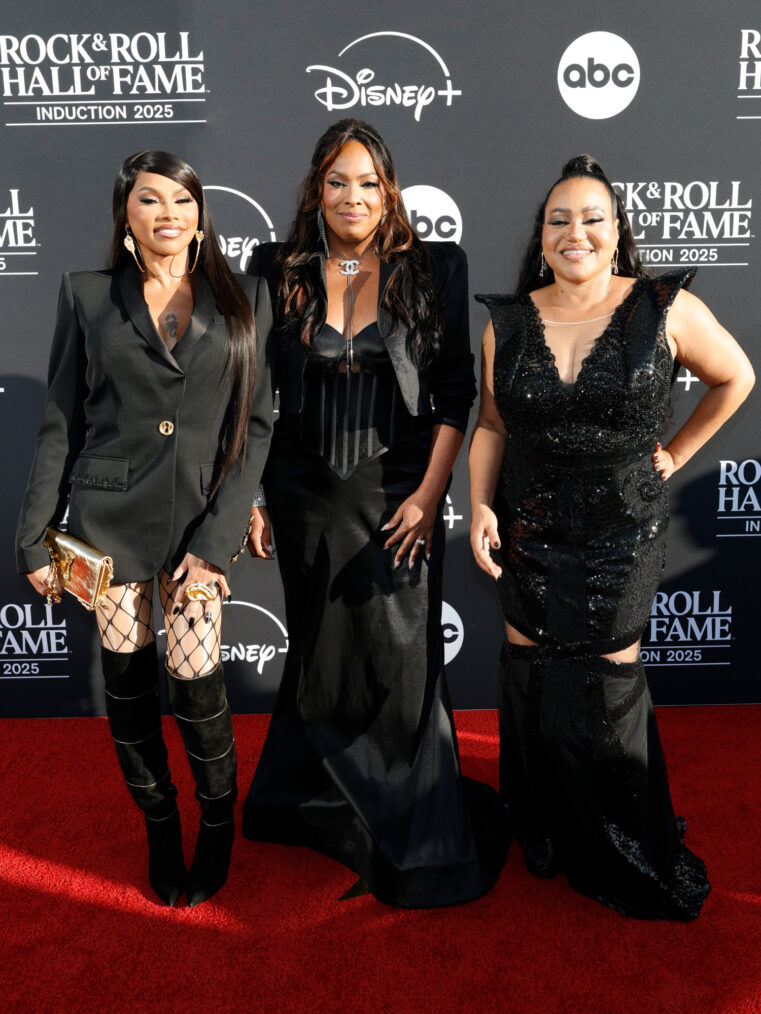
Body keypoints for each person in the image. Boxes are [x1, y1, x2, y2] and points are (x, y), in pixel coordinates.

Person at [469, 154, 754, 920]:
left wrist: (676, 453)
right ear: (541, 236)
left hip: (622, 525)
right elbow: (491, 425)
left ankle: (623, 840)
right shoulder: (508, 320)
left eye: (592, 217)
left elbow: (736, 377)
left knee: (605, 677)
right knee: (528, 669)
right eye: (559, 219)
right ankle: (545, 829)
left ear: (616, 231)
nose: (576, 232)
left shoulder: (662, 308)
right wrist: (480, 506)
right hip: (529, 521)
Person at [241, 118, 507, 907]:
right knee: (321, 657)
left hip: (397, 498)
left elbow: (456, 392)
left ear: (387, 189)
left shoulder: (434, 268)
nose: (351, 197)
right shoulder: (276, 267)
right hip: (301, 497)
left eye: (367, 181)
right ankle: (312, 800)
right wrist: (254, 494)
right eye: (336, 181)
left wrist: (430, 496)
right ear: (314, 191)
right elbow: (254, 397)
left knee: (401, 662)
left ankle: (411, 816)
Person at [16, 150, 273, 908]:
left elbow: (253, 429)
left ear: (201, 213)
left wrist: (219, 534)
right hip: (106, 528)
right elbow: (60, 421)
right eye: (149, 201)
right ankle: (161, 826)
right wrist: (35, 540)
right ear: (124, 216)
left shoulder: (245, 295)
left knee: (197, 687)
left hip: (201, 523)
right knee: (127, 695)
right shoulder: (87, 295)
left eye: (181, 200)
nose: (167, 214)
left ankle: (218, 823)